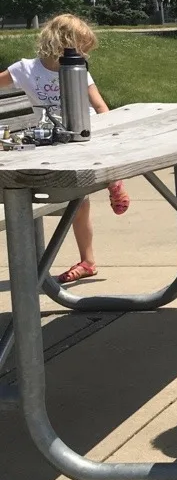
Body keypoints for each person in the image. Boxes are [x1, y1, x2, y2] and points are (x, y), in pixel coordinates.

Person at [0, 14, 130, 283]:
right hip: (54, 140)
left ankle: (112, 179)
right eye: (80, 47)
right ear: (61, 43)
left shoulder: (78, 68)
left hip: (83, 134)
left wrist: (111, 134)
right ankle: (88, 261)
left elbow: (99, 106)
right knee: (79, 203)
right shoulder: (26, 69)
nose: (82, 54)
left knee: (79, 198)